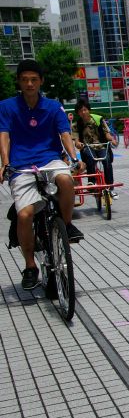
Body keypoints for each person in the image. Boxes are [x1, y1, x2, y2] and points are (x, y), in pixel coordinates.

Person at [0, 59, 84, 290]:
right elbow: (4, 135)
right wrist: (5, 164)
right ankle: (30, 266)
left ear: (41, 82)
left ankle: (65, 225)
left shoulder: (53, 106)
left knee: (66, 180)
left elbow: (65, 134)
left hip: (50, 159)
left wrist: (74, 158)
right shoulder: (6, 106)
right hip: (21, 164)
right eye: (25, 79)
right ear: (19, 81)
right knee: (25, 215)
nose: (29, 84)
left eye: (34, 79)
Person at [71, 99, 118, 198]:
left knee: (107, 160)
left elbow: (107, 133)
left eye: (85, 110)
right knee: (90, 159)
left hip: (101, 145)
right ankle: (91, 182)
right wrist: (78, 143)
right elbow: (76, 140)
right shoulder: (76, 125)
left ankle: (110, 187)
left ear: (89, 110)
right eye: (80, 111)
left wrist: (112, 140)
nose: (83, 112)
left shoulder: (98, 119)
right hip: (87, 146)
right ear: (78, 113)